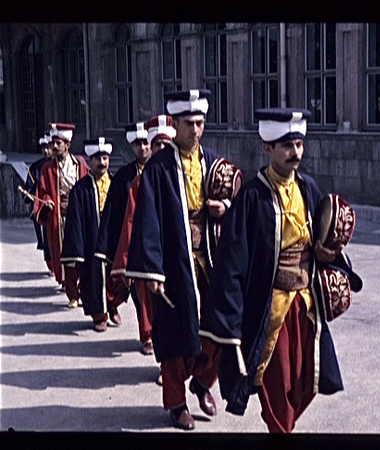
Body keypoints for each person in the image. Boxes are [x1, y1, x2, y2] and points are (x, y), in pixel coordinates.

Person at [200, 108, 354, 433]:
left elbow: (322, 243)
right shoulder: (252, 197)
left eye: (299, 144)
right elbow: (232, 263)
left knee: (304, 381)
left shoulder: (308, 187)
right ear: (268, 149)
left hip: (305, 307)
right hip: (270, 309)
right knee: (277, 382)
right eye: (286, 145)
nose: (295, 152)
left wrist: (328, 254)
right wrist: (229, 318)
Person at [125, 90, 234, 430]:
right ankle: (176, 403)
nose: (196, 131)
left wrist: (224, 208)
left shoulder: (214, 162)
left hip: (209, 262)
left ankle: (203, 384)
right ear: (175, 124)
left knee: (220, 331)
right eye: (189, 124)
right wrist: (153, 270)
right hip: (174, 265)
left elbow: (235, 196)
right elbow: (147, 221)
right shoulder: (157, 168)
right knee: (175, 337)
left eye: (200, 123)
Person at [110, 114, 177, 358]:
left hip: (176, 251)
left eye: (165, 145)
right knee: (147, 299)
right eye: (157, 144)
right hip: (147, 251)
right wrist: (127, 261)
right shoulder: (139, 182)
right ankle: (148, 336)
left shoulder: (182, 179)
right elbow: (130, 221)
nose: (160, 149)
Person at [95, 122, 153, 349]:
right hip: (130, 240)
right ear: (132, 146)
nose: (143, 148)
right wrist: (107, 245)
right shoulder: (123, 177)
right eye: (138, 144)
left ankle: (152, 336)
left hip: (155, 240)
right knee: (132, 289)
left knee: (151, 292)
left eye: (146, 142)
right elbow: (113, 213)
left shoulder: (162, 171)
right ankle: (143, 332)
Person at [60, 138, 121, 332]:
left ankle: (112, 306)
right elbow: (75, 221)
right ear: (90, 160)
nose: (102, 162)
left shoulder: (115, 184)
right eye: (97, 159)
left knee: (117, 278)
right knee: (93, 279)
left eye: (105, 158)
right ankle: (99, 315)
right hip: (91, 241)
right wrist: (77, 250)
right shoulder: (81, 189)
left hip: (112, 239)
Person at [32, 123, 89, 299]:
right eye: (53, 143)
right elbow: (43, 192)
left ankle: (79, 284)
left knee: (80, 252)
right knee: (62, 253)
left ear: (68, 145)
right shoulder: (47, 169)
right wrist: (47, 202)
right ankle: (68, 286)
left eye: (59, 143)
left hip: (77, 217)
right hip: (59, 218)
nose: (54, 146)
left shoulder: (80, 164)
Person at [24, 132, 53, 275]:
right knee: (47, 240)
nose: (46, 151)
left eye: (49, 147)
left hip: (59, 208)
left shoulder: (60, 166)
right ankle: (51, 264)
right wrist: (31, 193)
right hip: (42, 208)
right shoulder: (36, 167)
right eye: (44, 148)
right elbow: (29, 186)